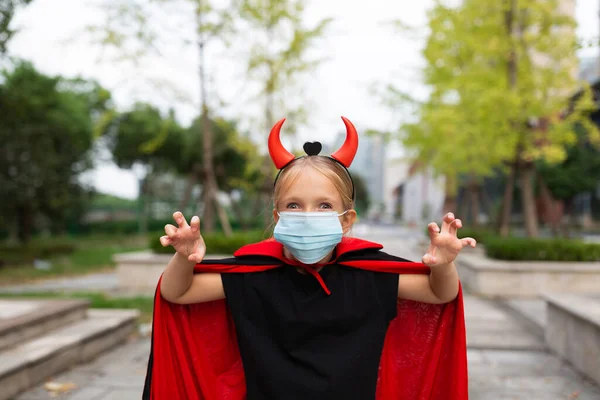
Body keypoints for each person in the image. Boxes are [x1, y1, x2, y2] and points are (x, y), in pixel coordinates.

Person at [143, 117, 475, 400]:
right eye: (294, 205)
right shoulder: (251, 275)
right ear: (277, 216)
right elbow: (177, 293)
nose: (307, 214)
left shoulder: (371, 274)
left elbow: (439, 293)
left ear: (347, 220)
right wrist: (185, 259)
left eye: (324, 206)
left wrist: (445, 264)